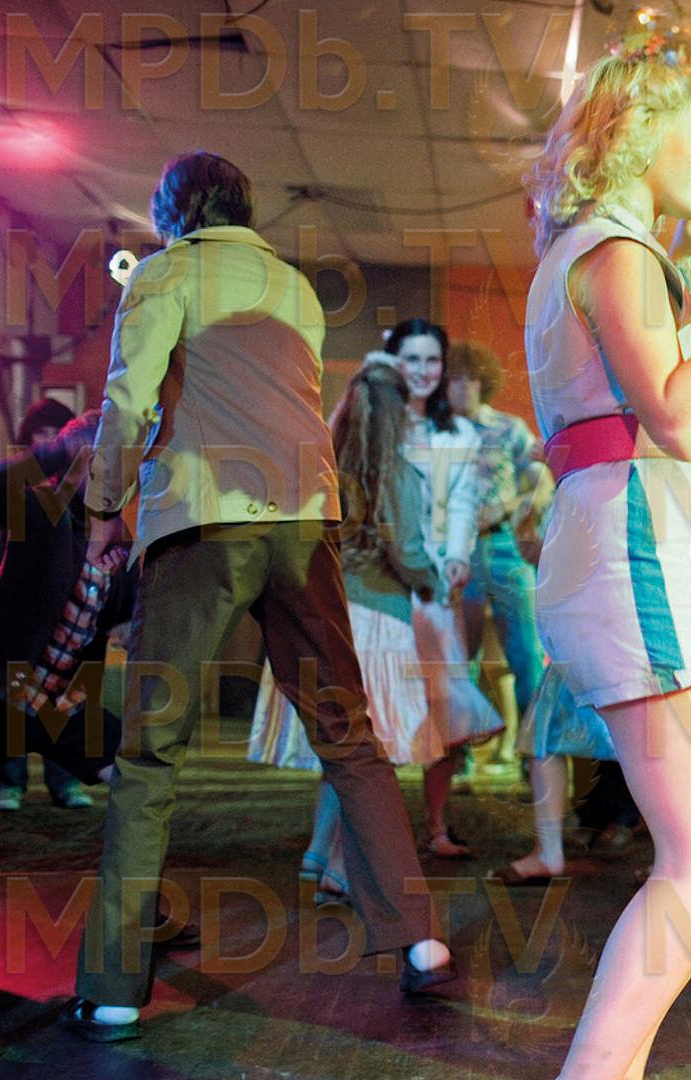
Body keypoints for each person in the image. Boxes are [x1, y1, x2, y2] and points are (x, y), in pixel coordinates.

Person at [67, 151, 452, 1043]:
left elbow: (128, 403)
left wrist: (102, 509)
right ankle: (421, 942)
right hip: (304, 527)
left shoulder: (165, 273)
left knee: (150, 755)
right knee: (348, 737)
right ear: (243, 211)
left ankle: (115, 988)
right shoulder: (295, 288)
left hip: (203, 522)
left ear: (172, 215)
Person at [523, 36, 691, 1078]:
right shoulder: (614, 250)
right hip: (636, 548)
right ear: (637, 134)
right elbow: (682, 418)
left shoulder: (610, 251)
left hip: (641, 546)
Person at [246, 363, 444, 904]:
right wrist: (432, 582)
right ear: (398, 413)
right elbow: (407, 552)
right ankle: (338, 868)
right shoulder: (398, 474)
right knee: (368, 756)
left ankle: (317, 852)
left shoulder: (320, 466)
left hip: (325, 613)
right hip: (379, 621)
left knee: (341, 745)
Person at [387, 318, 506, 856]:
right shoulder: (378, 421)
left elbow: (462, 505)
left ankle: (436, 828)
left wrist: (457, 557)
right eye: (410, 358)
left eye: (432, 359)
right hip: (383, 585)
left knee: (445, 710)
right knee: (380, 709)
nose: (422, 370)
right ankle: (355, 841)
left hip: (436, 587)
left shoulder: (457, 433)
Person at [0, 414, 132, 802]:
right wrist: (50, 454)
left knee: (135, 769)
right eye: (102, 462)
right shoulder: (39, 509)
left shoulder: (117, 534)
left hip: (60, 706)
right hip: (3, 691)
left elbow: (125, 616)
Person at [449, 339, 549, 765]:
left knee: (526, 655)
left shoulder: (509, 428)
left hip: (505, 547)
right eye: (455, 379)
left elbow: (542, 479)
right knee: (458, 660)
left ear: (484, 382)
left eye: (471, 379)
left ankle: (535, 757)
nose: (464, 386)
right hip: (455, 553)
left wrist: (518, 506)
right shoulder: (433, 433)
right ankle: (461, 759)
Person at [0, 398, 96, 810]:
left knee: (65, 700)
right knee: (13, 698)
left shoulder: (91, 501)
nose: (50, 441)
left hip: (72, 622)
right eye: (43, 435)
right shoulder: (26, 497)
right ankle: (10, 782)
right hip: (25, 620)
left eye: (56, 435)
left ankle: (64, 781)